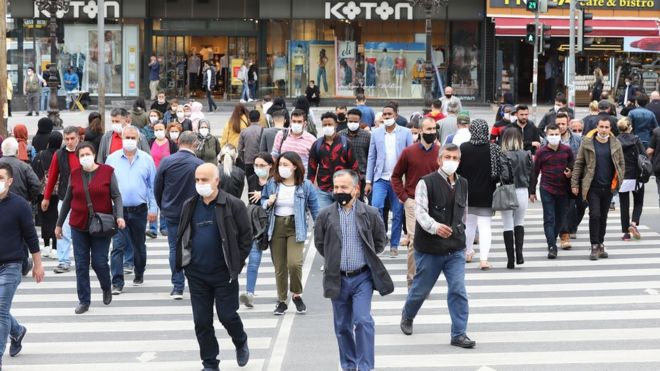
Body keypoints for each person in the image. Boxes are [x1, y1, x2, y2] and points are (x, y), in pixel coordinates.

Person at [314, 169, 394, 371]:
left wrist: (366, 256)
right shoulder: (325, 215)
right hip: (338, 278)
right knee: (342, 327)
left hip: (362, 278)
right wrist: (333, 258)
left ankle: (366, 367)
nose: (339, 191)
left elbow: (380, 241)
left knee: (363, 320)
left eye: (344, 187)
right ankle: (349, 365)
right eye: (336, 187)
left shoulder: (370, 213)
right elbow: (320, 243)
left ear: (356, 190)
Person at [175, 163, 251, 371]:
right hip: (197, 274)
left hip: (223, 273)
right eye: (197, 180)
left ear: (217, 181)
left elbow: (246, 237)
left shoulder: (233, 205)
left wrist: (237, 262)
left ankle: (240, 339)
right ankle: (210, 363)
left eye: (205, 180)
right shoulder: (190, 205)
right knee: (202, 322)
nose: (200, 184)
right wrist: (184, 264)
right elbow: (182, 234)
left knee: (227, 315)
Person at [399, 143, 475, 349]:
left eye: (455, 158)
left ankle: (459, 334)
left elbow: (464, 211)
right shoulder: (427, 182)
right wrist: (434, 227)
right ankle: (408, 315)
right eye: (448, 157)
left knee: (458, 290)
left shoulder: (463, 183)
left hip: (455, 248)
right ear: (439, 160)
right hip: (430, 248)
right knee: (420, 290)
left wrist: (465, 237)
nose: (452, 161)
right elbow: (420, 212)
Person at [55, 142, 124, 314]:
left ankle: (106, 286)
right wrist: (58, 224)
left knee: (99, 261)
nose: (85, 157)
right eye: (81, 155)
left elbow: (116, 196)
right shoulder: (75, 174)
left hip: (101, 224)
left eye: (88, 154)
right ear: (78, 158)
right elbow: (67, 201)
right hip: (78, 224)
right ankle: (84, 300)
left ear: (94, 154)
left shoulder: (107, 171)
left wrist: (120, 216)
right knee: (81, 264)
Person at [261, 151, 319, 315]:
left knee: (294, 263)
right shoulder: (272, 183)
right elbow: (262, 202)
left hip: (296, 226)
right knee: (279, 266)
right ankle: (281, 301)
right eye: (280, 165)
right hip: (276, 225)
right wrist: (268, 201)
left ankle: (296, 294)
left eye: (285, 165)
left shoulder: (305, 185)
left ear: (295, 166)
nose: (282, 168)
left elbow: (315, 209)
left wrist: (321, 227)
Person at [0, 162, 45, 364]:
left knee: (0, 311)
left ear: (9, 181)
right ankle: (17, 331)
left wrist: (38, 264)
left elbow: (30, 236)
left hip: (11, 265)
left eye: (1, 178)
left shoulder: (19, 205)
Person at [105, 126, 158, 293]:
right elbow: (106, 186)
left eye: (132, 138)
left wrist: (153, 209)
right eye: (126, 137)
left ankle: (139, 271)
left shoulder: (146, 159)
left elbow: (152, 186)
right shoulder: (112, 159)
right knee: (117, 246)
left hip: (139, 209)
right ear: (121, 138)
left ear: (138, 139)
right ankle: (117, 282)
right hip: (118, 210)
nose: (129, 140)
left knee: (138, 245)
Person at [391, 117, 440, 287]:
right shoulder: (409, 152)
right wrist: (404, 197)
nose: (432, 133)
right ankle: (412, 280)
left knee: (431, 242)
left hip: (433, 203)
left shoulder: (440, 153)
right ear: (419, 131)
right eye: (428, 130)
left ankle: (425, 279)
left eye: (434, 129)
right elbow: (396, 176)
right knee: (414, 240)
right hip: (412, 201)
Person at [155, 131, 204, 300]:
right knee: (195, 247)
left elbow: (157, 187)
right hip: (194, 212)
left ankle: (177, 286)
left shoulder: (166, 161)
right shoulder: (198, 163)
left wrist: (163, 205)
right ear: (194, 144)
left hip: (171, 211)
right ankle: (195, 283)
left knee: (174, 248)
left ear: (178, 142)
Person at [365, 104, 414, 258]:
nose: (386, 117)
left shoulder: (405, 132)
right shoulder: (376, 133)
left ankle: (394, 245)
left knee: (398, 213)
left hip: (399, 180)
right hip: (380, 178)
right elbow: (371, 157)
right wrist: (368, 181)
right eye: (384, 114)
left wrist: (409, 181)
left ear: (396, 115)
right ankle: (380, 239)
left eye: (389, 114)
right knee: (376, 207)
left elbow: (410, 158)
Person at [572, 116, 625, 260]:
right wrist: (575, 183)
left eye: (606, 127)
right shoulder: (588, 142)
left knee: (603, 216)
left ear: (610, 129)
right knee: (594, 214)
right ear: (597, 127)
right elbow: (579, 163)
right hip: (592, 186)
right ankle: (594, 245)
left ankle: (601, 243)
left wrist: (619, 181)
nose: (604, 129)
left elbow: (621, 163)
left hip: (608, 187)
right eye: (601, 126)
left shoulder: (615, 143)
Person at [457, 119, 501, 269]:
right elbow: (498, 173)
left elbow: (458, 171)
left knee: (469, 224)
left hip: (467, 193)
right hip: (487, 192)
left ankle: (467, 253)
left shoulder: (464, 148)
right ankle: (483, 260)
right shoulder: (493, 148)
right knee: (485, 227)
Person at [530, 124, 574, 259]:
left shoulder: (567, 150)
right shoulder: (541, 152)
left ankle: (552, 237)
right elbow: (535, 172)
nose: (554, 137)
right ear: (546, 135)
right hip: (546, 188)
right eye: (551, 134)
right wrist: (532, 191)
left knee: (560, 218)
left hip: (563, 189)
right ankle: (551, 246)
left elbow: (572, 164)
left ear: (560, 135)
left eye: (556, 134)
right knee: (549, 217)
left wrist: (570, 172)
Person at [40, 126, 81, 271]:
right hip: (65, 197)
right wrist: (46, 197)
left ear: (78, 138)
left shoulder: (85, 152)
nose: (69, 142)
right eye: (67, 139)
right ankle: (64, 261)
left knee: (86, 230)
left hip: (84, 198)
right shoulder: (59, 154)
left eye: (72, 139)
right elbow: (52, 177)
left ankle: (86, 259)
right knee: (63, 229)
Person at [239, 153, 274, 308]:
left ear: (270, 165)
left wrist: (264, 195)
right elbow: (253, 202)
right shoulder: (253, 179)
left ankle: (285, 291)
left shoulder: (276, 181)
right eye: (256, 165)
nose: (258, 168)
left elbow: (276, 199)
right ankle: (249, 293)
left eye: (262, 165)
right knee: (254, 259)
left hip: (274, 221)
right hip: (256, 223)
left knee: (280, 261)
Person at [308, 112, 358, 209]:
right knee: (324, 218)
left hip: (343, 189)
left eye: (330, 124)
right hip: (323, 191)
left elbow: (354, 167)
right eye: (325, 125)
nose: (327, 127)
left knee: (344, 218)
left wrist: (356, 186)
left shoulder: (346, 143)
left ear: (336, 124)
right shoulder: (317, 145)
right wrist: (310, 189)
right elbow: (312, 169)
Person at [499, 128, 533, 269]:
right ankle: (519, 255)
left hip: (507, 190)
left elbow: (504, 175)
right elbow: (531, 172)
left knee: (507, 224)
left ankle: (510, 259)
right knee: (519, 222)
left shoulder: (502, 155)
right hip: (522, 190)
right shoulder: (527, 154)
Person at [31, 131, 63, 259]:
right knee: (57, 217)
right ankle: (55, 246)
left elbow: (34, 170)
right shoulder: (61, 154)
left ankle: (46, 245)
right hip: (59, 191)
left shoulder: (41, 154)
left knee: (45, 217)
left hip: (44, 191)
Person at [556, 114, 584, 249]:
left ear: (567, 124)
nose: (561, 127)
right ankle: (564, 232)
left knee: (582, 204)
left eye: (563, 124)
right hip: (558, 179)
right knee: (566, 207)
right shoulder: (551, 138)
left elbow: (582, 158)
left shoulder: (577, 140)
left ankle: (572, 225)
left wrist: (574, 172)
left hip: (575, 177)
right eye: (558, 124)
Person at [616, 118, 646, 241]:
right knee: (638, 202)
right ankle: (633, 224)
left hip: (622, 176)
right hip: (636, 175)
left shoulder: (615, 141)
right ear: (630, 128)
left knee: (624, 205)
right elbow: (643, 156)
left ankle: (626, 233)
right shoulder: (636, 140)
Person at [146, 122, 178, 239]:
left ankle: (164, 227)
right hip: (152, 175)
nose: (158, 131)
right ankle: (152, 228)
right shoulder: (150, 142)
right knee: (152, 200)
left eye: (161, 129)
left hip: (167, 176)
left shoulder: (171, 144)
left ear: (165, 130)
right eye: (156, 129)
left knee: (165, 200)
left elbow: (176, 159)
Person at [271, 109, 317, 175]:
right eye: (294, 121)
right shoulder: (281, 135)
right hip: (283, 177)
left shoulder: (312, 140)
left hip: (303, 180)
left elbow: (315, 162)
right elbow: (274, 156)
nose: (296, 124)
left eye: (299, 122)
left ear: (305, 123)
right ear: (290, 122)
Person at [339, 109, 371, 197]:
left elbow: (370, 157)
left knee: (359, 202)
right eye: (350, 121)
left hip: (362, 176)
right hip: (345, 175)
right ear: (347, 120)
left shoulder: (367, 136)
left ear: (360, 121)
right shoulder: (340, 136)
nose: (352, 123)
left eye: (355, 121)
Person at [238, 110, 264, 179]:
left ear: (249, 119)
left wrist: (243, 159)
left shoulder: (244, 132)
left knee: (250, 183)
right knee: (261, 182)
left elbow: (240, 149)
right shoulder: (264, 130)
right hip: (261, 161)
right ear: (259, 118)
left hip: (248, 160)